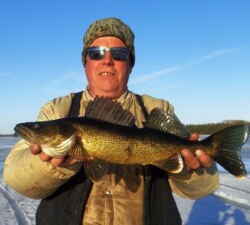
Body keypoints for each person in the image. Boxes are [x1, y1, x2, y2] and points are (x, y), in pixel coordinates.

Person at [4, 17, 219, 225]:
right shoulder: (58, 109)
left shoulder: (157, 109)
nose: (107, 60)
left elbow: (203, 188)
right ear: (85, 63)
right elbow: (17, 179)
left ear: (130, 64)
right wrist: (48, 166)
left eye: (119, 53)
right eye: (96, 53)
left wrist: (188, 170)